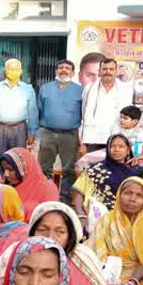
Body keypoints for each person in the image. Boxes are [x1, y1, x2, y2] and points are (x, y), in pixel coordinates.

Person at [72, 134, 143, 222]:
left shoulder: (135, 170)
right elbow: (79, 193)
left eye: (121, 146)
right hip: (93, 217)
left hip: (124, 218)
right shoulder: (96, 168)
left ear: (128, 150)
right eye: (112, 146)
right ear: (108, 149)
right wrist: (81, 215)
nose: (116, 149)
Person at [38, 59, 82, 204]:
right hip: (48, 133)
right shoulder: (45, 88)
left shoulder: (80, 90)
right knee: (44, 168)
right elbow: (39, 109)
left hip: (70, 135)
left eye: (67, 68)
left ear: (73, 72)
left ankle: (64, 200)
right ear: (56, 70)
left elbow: (83, 113)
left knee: (68, 170)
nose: (63, 70)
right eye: (61, 67)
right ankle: (46, 196)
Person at [0, 58, 38, 169]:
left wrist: (32, 132)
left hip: (19, 128)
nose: (13, 71)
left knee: (18, 159)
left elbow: (32, 112)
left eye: (16, 69)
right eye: (10, 69)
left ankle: (17, 186)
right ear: (5, 71)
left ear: (21, 71)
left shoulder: (28, 89)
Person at [80, 58, 134, 153]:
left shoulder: (126, 90)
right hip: (93, 139)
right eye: (104, 69)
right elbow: (83, 112)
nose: (107, 72)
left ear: (116, 71)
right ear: (99, 71)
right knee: (91, 167)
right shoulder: (89, 89)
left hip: (117, 139)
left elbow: (129, 115)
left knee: (115, 167)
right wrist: (82, 142)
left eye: (111, 69)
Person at [0, 147, 59, 218]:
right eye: (4, 169)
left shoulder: (48, 189)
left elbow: (49, 217)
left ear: (24, 169)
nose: (6, 174)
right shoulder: (5, 189)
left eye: (10, 169)